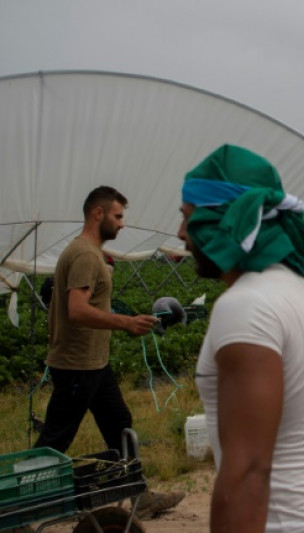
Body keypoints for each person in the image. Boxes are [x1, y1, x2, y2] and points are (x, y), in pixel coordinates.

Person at [179, 144, 304, 533]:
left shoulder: (246, 306)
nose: (181, 234)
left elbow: (248, 473)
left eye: (188, 219)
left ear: (225, 221)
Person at [34, 185, 185, 519]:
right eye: (117, 216)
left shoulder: (85, 253)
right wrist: (125, 323)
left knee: (119, 422)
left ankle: (141, 497)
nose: (122, 224)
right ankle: (19, 511)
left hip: (93, 364)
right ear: (97, 213)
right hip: (77, 365)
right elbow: (77, 310)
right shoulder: (86, 255)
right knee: (54, 440)